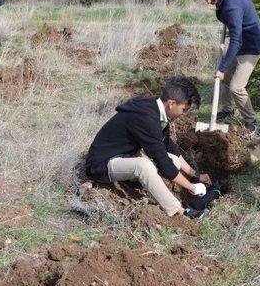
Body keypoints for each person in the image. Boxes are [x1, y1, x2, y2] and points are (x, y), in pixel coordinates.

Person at [85, 76, 212, 217]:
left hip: (125, 155)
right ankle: (181, 212)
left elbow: (168, 145)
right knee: (144, 166)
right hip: (101, 164)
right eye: (184, 109)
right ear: (172, 103)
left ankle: (138, 183)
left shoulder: (156, 108)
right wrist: (192, 187)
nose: (184, 114)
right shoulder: (146, 118)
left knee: (174, 161)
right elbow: (162, 163)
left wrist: (195, 175)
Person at [194, 0, 260, 135]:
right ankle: (228, 110)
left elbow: (236, 41)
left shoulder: (232, 8)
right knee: (225, 78)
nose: (208, 2)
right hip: (242, 42)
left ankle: (251, 120)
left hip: (252, 46)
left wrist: (222, 67)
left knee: (236, 87)